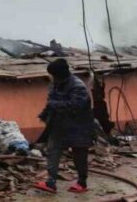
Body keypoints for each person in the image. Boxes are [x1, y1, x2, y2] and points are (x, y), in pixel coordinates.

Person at [33, 58, 94, 194]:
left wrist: (55, 105)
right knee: (53, 149)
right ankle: (50, 183)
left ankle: (82, 183)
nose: (50, 77)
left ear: (59, 74)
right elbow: (51, 101)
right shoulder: (55, 84)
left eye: (52, 74)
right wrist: (44, 115)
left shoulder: (77, 86)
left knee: (79, 153)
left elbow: (74, 106)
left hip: (79, 125)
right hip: (59, 123)